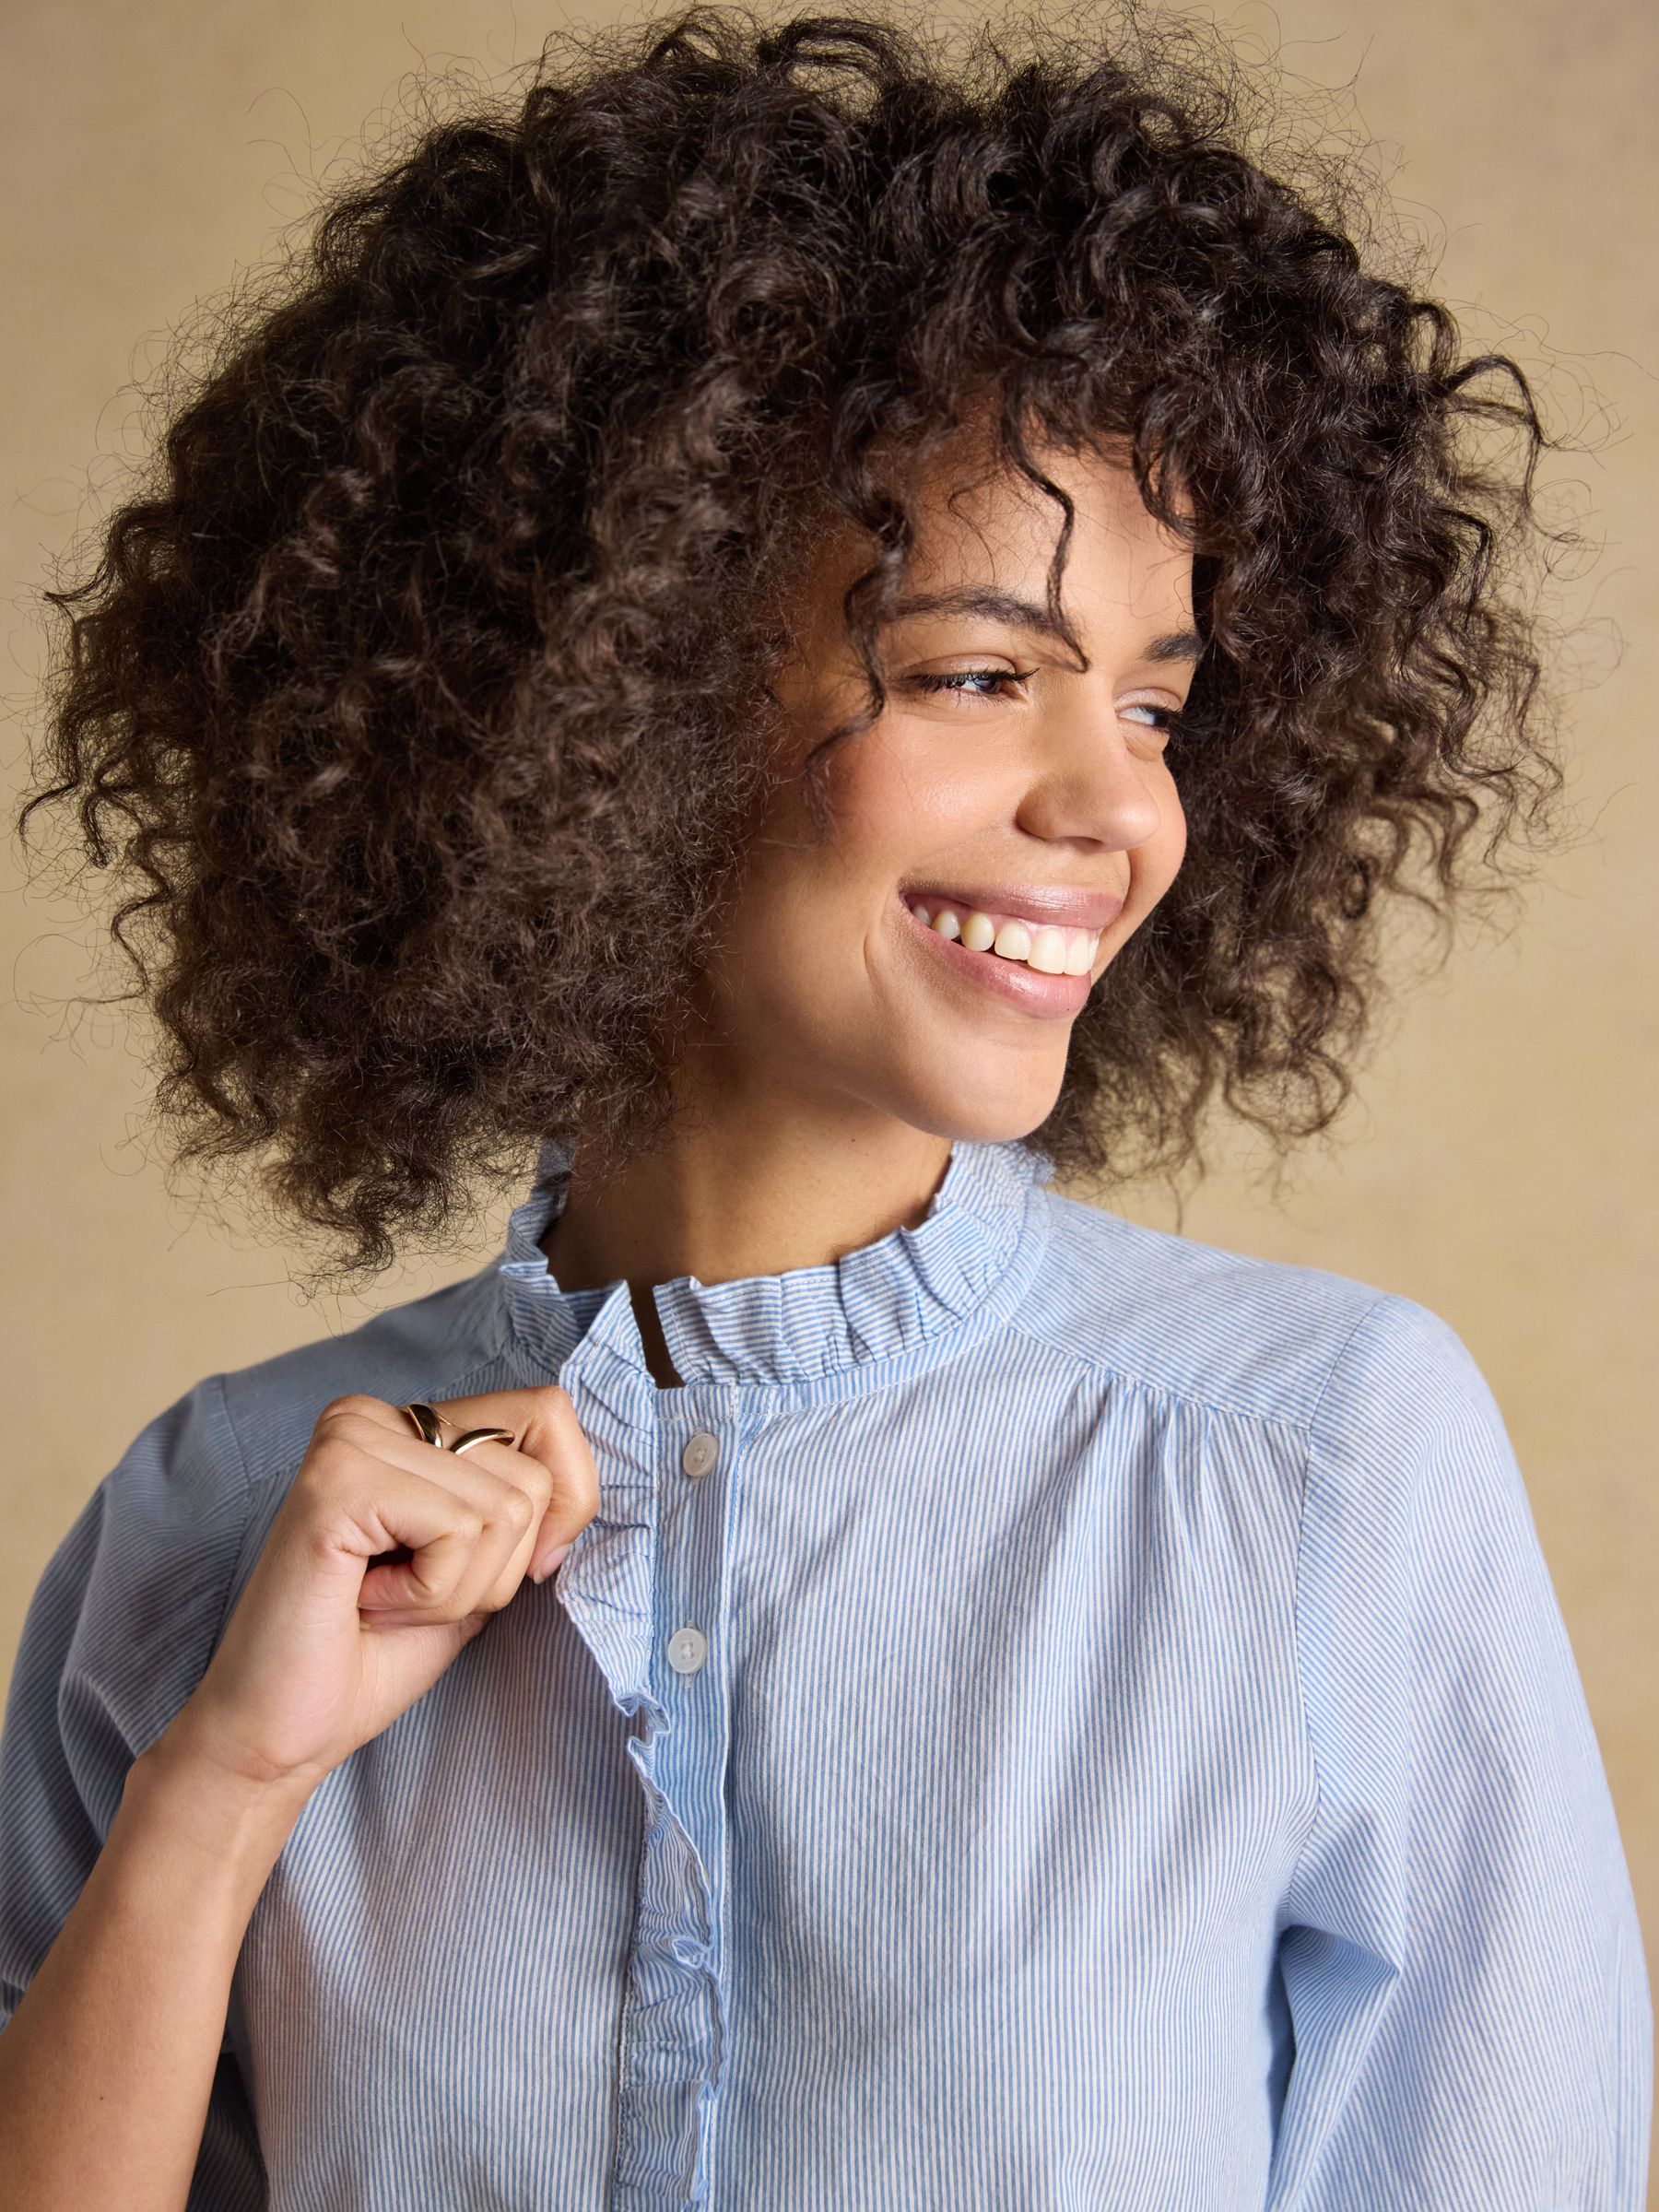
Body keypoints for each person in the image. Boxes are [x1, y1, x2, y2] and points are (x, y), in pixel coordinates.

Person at [0, 6, 1650, 2208]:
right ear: (612, 697)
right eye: (979, 673)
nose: (1116, 809)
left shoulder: (1321, 1466)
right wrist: (229, 1778)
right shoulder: (221, 1522)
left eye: (1156, 705)